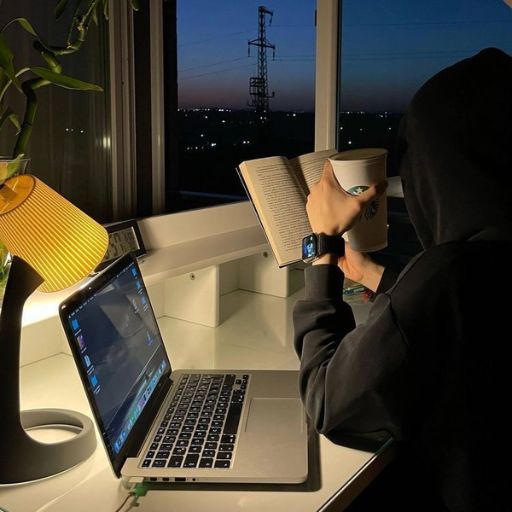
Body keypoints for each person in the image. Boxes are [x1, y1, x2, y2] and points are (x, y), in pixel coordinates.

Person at [293, 47, 512, 512]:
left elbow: (326, 403)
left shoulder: (448, 276)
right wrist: (377, 274)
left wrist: (322, 241)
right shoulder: (478, 266)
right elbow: (463, 312)